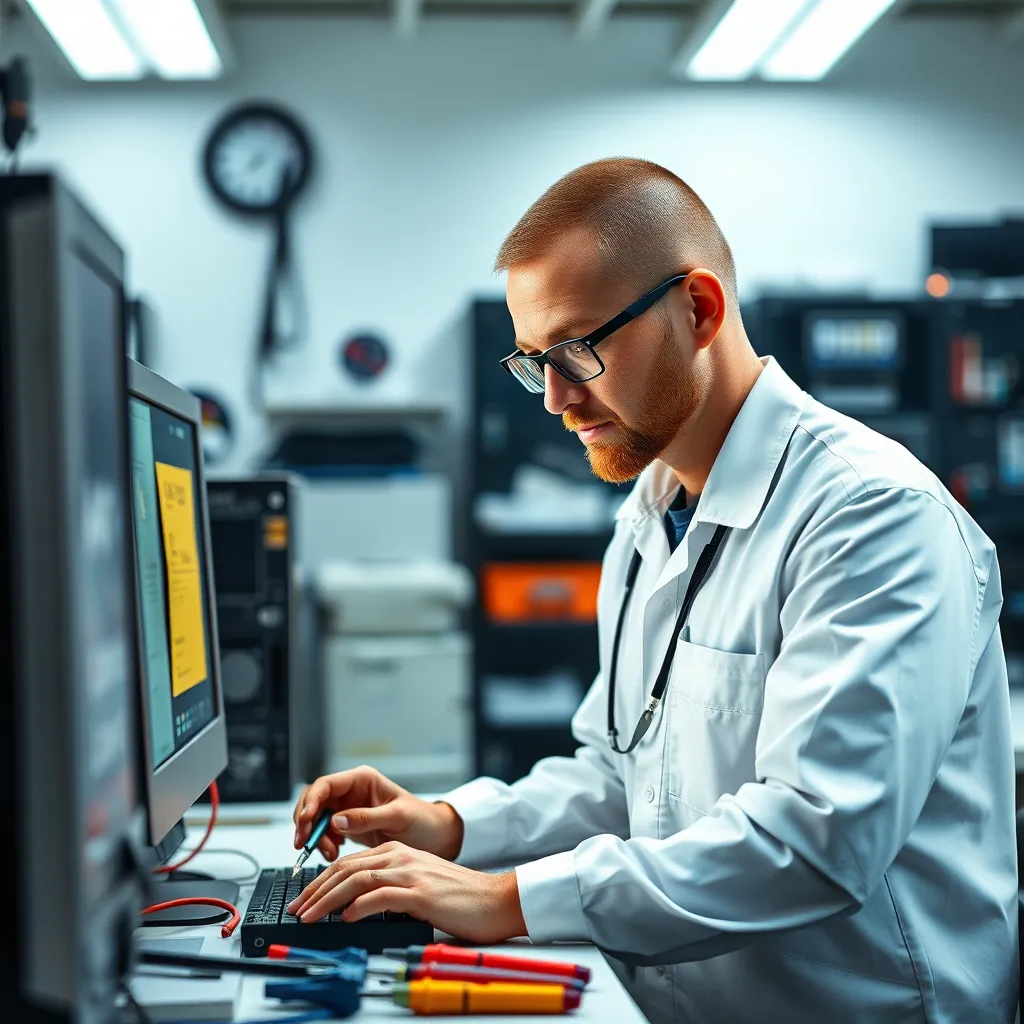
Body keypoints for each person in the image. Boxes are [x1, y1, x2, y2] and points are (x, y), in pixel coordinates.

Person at [288, 158, 1018, 1023]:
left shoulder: (873, 517)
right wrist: (451, 828)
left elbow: (818, 843)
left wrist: (505, 899)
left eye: (577, 349)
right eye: (534, 362)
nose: (556, 399)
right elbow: (621, 774)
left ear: (698, 310)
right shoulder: (652, 510)